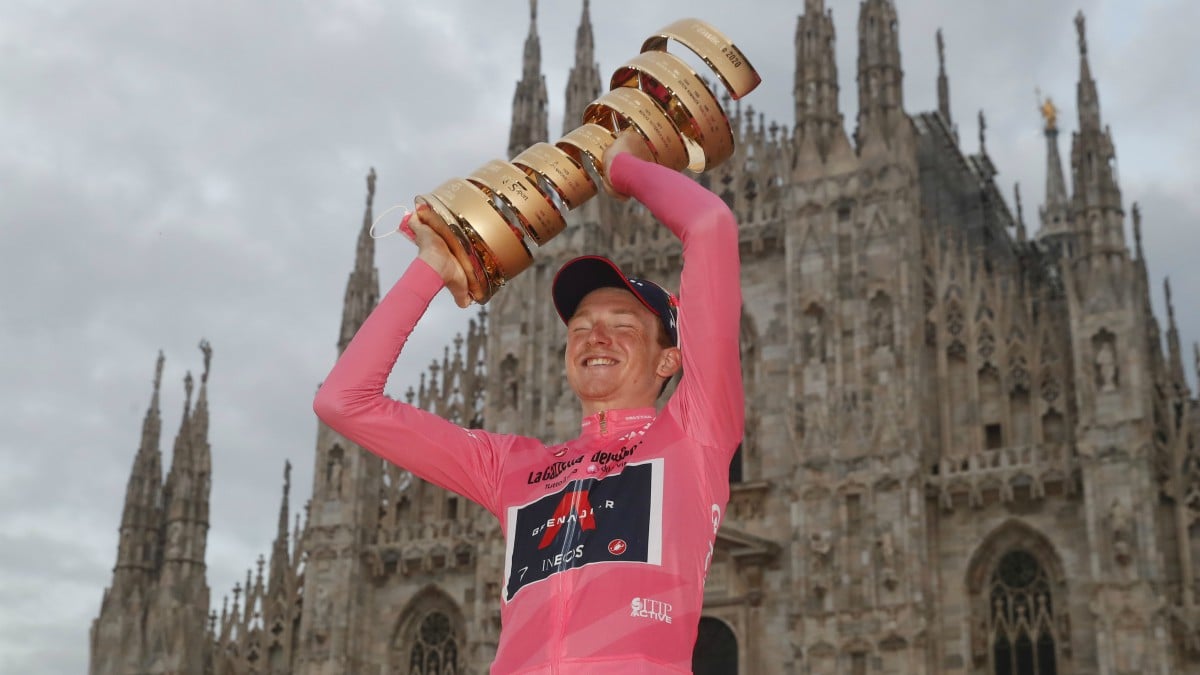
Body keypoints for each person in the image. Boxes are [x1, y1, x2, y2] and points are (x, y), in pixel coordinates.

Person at [314, 129, 744, 674]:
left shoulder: (692, 436)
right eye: (581, 327)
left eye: (624, 327)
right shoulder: (514, 467)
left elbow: (710, 226)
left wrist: (624, 169)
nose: (597, 337)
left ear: (668, 361)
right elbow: (343, 402)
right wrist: (433, 268)